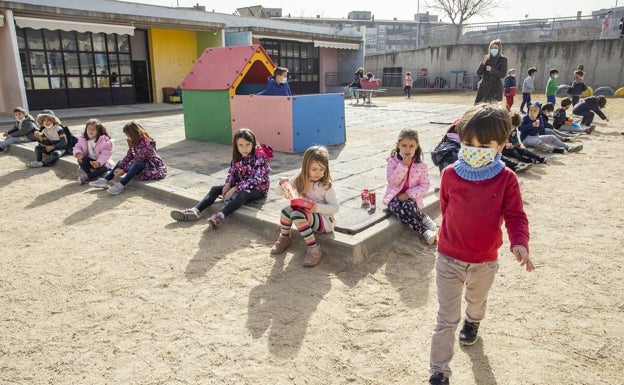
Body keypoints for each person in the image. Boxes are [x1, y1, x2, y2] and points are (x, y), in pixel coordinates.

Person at [428, 103, 535, 385]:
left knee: (475, 302)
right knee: (445, 317)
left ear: (501, 145)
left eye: (484, 145)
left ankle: (473, 321)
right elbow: (446, 207)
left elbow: (515, 215)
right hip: (447, 257)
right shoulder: (449, 173)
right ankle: (439, 371)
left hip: (484, 262)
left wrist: (519, 243)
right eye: (468, 143)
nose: (475, 149)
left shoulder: (506, 178)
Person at [170, 128, 271, 228]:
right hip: (241, 184)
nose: (244, 148)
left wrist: (234, 189)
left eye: (248, 144)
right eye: (241, 145)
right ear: (236, 146)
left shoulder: (259, 158)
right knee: (215, 189)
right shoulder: (237, 156)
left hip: (258, 188)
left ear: (253, 144)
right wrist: (228, 184)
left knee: (243, 194)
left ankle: (220, 216)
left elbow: (256, 180)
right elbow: (233, 172)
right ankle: (195, 210)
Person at [270, 145, 339, 267]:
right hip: (305, 216)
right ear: (306, 167)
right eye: (314, 169)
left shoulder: (326, 185)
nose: (318, 173)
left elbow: (335, 208)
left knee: (296, 215)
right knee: (286, 211)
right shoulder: (300, 178)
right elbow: (278, 192)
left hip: (324, 220)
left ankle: (314, 249)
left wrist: (315, 207)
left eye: (322, 169)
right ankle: (285, 238)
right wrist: (282, 184)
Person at [383, 129, 438, 245]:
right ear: (398, 145)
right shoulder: (392, 162)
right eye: (404, 145)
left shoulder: (422, 165)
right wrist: (402, 166)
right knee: (396, 209)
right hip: (394, 197)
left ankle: (423, 217)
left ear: (416, 146)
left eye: (411, 146)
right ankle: (425, 231)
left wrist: (408, 194)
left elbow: (425, 185)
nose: (407, 150)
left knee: (408, 206)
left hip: (411, 198)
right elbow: (392, 182)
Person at [89, 120, 167, 195]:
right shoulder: (133, 141)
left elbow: (138, 159)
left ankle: (121, 185)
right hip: (139, 164)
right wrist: (121, 167)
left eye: (128, 135)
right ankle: (105, 180)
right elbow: (129, 155)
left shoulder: (147, 144)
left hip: (150, 166)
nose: (127, 137)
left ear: (134, 134)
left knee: (136, 164)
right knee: (120, 162)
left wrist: (123, 170)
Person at [518, 103, 582, 154]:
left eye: (535, 110)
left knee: (552, 137)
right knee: (538, 142)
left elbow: (541, 129)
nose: (532, 112)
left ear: (538, 111)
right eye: (531, 110)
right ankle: (555, 150)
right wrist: (531, 125)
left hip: (536, 136)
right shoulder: (525, 118)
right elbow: (520, 128)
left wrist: (538, 125)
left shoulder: (539, 117)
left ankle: (568, 148)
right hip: (526, 138)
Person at [72, 118, 114, 185]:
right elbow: (77, 146)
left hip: (103, 162)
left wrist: (98, 163)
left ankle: (87, 177)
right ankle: (91, 175)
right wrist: (78, 153)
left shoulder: (105, 141)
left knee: (105, 168)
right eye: (88, 129)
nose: (90, 131)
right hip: (90, 161)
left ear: (98, 130)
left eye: (93, 129)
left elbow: (105, 154)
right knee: (80, 159)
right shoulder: (83, 138)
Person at [474, 39, 507, 104]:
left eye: (495, 48)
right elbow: (478, 73)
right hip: (484, 87)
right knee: (479, 108)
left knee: (493, 110)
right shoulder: (486, 58)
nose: (493, 49)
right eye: (492, 48)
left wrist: (492, 70)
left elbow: (503, 74)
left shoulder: (503, 60)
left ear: (499, 49)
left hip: (495, 88)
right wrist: (483, 62)